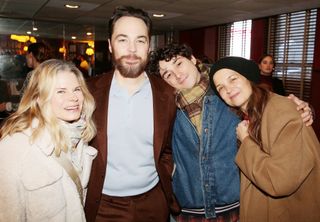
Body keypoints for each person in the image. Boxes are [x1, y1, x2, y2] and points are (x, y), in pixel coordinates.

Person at [147, 43, 314, 222]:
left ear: (193, 59)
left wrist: (301, 107)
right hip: (188, 209)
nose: (177, 75)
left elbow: (265, 107)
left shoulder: (227, 91)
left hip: (235, 205)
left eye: (178, 64)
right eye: (168, 74)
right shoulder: (163, 108)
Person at [84, 6, 180, 222]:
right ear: (110, 45)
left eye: (140, 40)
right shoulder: (87, 92)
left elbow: (167, 147)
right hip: (102, 206)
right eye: (122, 40)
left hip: (154, 203)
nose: (132, 49)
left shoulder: (167, 93)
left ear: (149, 45)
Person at [209, 56, 320, 222]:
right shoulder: (249, 115)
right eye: (221, 88)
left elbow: (279, 181)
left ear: (247, 78)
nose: (228, 89)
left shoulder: (280, 109)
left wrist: (246, 141)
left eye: (233, 79)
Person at [0, 59, 97, 221]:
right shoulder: (14, 147)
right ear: (38, 97)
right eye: (61, 91)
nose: (73, 98)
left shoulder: (77, 137)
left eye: (77, 89)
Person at [0, 42, 51, 113]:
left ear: (30, 55)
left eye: (26, 54)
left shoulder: (33, 75)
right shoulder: (51, 73)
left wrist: (7, 106)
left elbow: (26, 104)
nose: (25, 57)